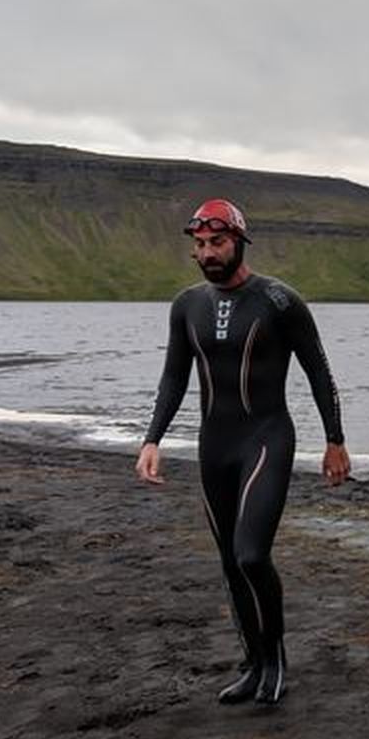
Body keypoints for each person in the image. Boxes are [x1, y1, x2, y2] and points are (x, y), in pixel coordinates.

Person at [135, 198, 350, 707]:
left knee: (252, 554)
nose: (208, 253)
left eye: (218, 242)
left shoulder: (279, 300)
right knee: (230, 563)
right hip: (215, 446)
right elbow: (173, 377)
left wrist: (335, 440)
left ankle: (275, 659)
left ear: (239, 242)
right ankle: (252, 662)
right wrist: (152, 439)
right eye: (200, 245)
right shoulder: (186, 305)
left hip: (267, 439)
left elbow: (319, 371)